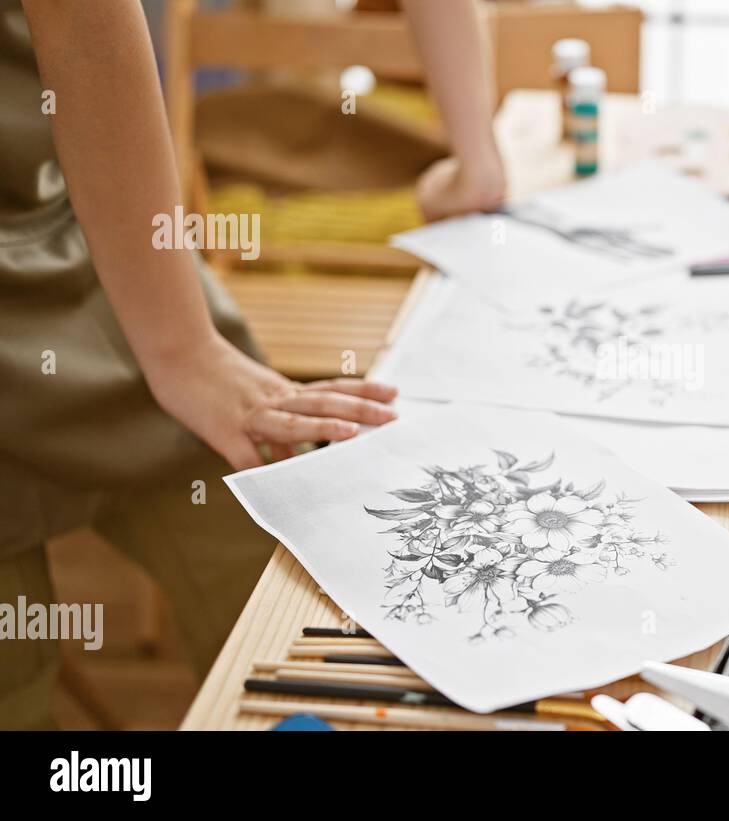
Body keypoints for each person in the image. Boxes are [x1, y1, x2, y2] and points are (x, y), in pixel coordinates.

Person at [0, 0, 505, 728]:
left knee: (286, 556)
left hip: (95, 221)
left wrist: (477, 159)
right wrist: (184, 351)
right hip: (115, 257)